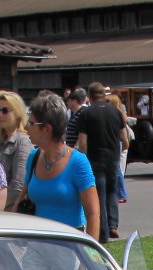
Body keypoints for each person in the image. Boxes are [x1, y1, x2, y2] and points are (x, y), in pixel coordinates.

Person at [24, 92, 100, 239]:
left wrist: (90, 251)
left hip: (70, 243)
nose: (26, 127)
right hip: (37, 242)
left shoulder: (78, 162)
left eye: (31, 123)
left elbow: (93, 213)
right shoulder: (33, 157)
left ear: (46, 129)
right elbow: (22, 199)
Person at [75, 82, 129, 237]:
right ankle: (113, 225)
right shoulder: (115, 111)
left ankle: (103, 231)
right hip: (112, 157)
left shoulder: (86, 113)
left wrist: (83, 157)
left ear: (89, 96)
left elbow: (83, 142)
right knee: (112, 191)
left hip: (95, 158)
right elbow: (124, 139)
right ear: (104, 95)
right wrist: (122, 150)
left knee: (99, 193)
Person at [0, 90, 33, 212]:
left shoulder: (23, 142)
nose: (0, 115)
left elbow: (19, 186)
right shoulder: (0, 142)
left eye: (5, 110)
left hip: (11, 213)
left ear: (18, 113)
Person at [107, 91, 129, 205]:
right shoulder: (117, 114)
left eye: (108, 102)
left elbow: (122, 133)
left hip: (116, 143)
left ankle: (121, 193)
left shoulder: (117, 115)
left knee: (117, 169)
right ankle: (118, 193)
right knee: (116, 168)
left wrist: (125, 144)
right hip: (116, 142)